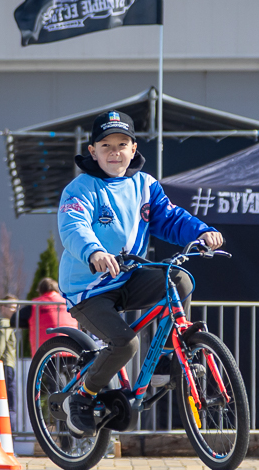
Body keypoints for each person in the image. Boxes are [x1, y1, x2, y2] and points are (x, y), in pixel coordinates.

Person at [57, 110, 223, 437]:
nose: (115, 152)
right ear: (93, 151)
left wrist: (202, 233)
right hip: (89, 288)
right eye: (106, 146)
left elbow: (171, 219)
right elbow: (73, 227)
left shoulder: (145, 185)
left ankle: (165, 359)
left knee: (179, 279)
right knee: (125, 344)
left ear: (134, 148)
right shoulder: (80, 189)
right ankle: (82, 396)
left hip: (129, 276)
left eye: (122, 144)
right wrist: (95, 253)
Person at [20, 277, 79, 355]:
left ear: (40, 290)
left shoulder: (35, 305)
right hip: (72, 350)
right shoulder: (68, 302)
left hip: (46, 353)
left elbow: (15, 320)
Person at [0, 295, 19, 426]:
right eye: (12, 307)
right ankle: (10, 432)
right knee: (9, 403)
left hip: (5, 366)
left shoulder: (1, 323)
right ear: (2, 308)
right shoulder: (5, 323)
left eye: (16, 307)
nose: (15, 310)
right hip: (6, 365)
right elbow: (0, 347)